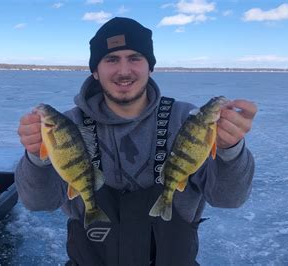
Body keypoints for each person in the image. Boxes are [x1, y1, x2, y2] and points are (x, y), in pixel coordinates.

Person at [15, 17, 256, 266]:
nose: (124, 71)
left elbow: (229, 199)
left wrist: (231, 150)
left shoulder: (186, 120)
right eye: (111, 59)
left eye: (134, 58)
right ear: (95, 71)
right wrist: (36, 156)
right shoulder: (67, 126)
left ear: (149, 66)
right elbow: (38, 202)